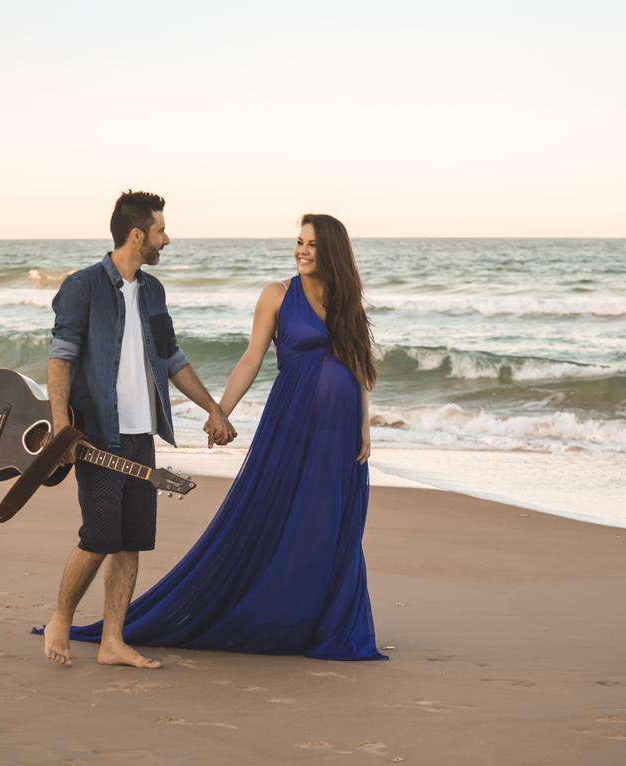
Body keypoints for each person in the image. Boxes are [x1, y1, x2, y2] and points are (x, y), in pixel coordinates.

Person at [66, 213, 386, 661]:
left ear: (332, 250)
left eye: (312, 244)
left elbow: (359, 365)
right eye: (299, 242)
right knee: (285, 519)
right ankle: (279, 616)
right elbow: (251, 360)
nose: (302, 251)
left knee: (334, 524)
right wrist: (220, 412)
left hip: (341, 432)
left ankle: (325, 620)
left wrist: (365, 423)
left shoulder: (346, 299)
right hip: (293, 427)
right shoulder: (278, 295)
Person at [40, 190, 236, 669]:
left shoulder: (152, 291)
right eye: (160, 230)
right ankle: (61, 618)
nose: (165, 239)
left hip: (140, 434)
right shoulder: (82, 286)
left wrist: (213, 408)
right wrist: (62, 428)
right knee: (99, 535)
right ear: (136, 234)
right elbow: (60, 361)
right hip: (97, 433)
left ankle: (112, 640)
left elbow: (171, 359)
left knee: (131, 540)